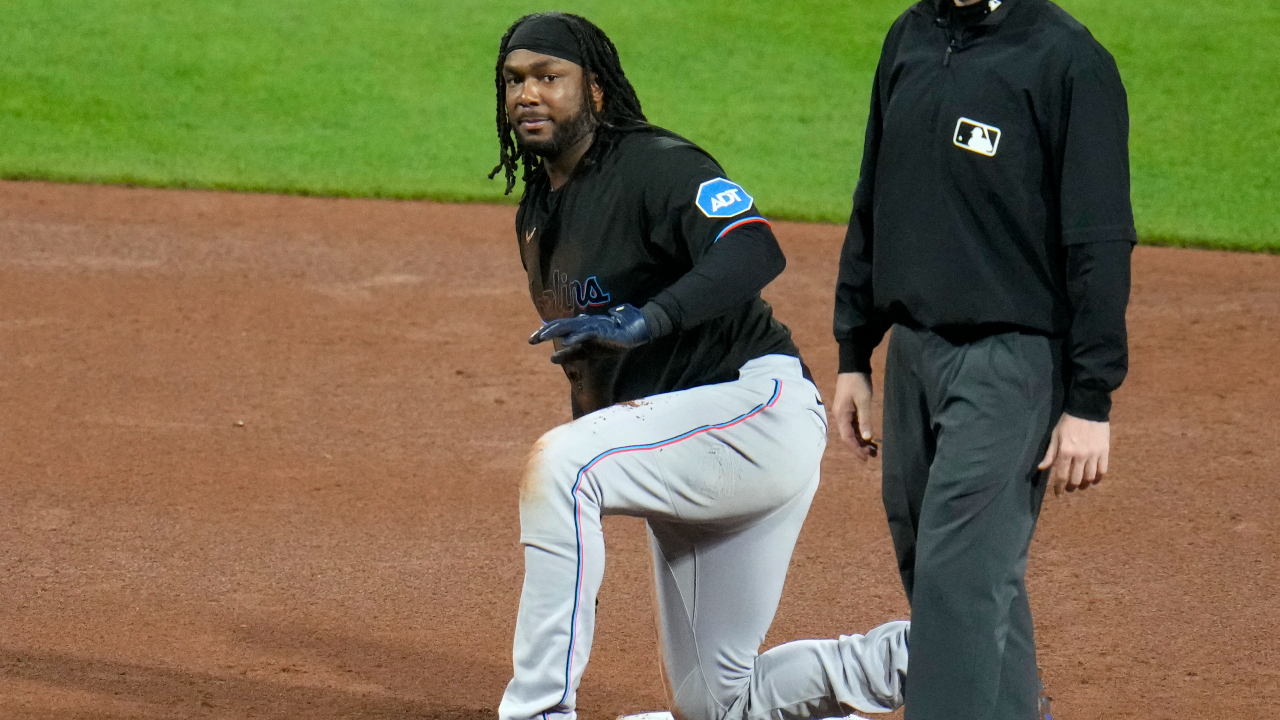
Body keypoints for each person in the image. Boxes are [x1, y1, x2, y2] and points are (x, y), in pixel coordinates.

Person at [489, 12, 910, 720]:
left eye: (548, 78)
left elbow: (753, 249)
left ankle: (536, 713)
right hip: (686, 452)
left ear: (593, 91)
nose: (528, 94)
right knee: (719, 706)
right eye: (514, 81)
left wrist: (649, 320)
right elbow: (592, 377)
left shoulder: (655, 165)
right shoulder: (538, 217)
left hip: (754, 413)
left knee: (561, 466)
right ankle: (948, 660)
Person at [831, 0, 1135, 718]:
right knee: (932, 562)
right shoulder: (909, 36)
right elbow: (876, 195)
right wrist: (854, 350)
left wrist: (1091, 401)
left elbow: (1099, 238)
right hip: (912, 354)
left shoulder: (1067, 59)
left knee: (959, 580)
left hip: (1010, 361)